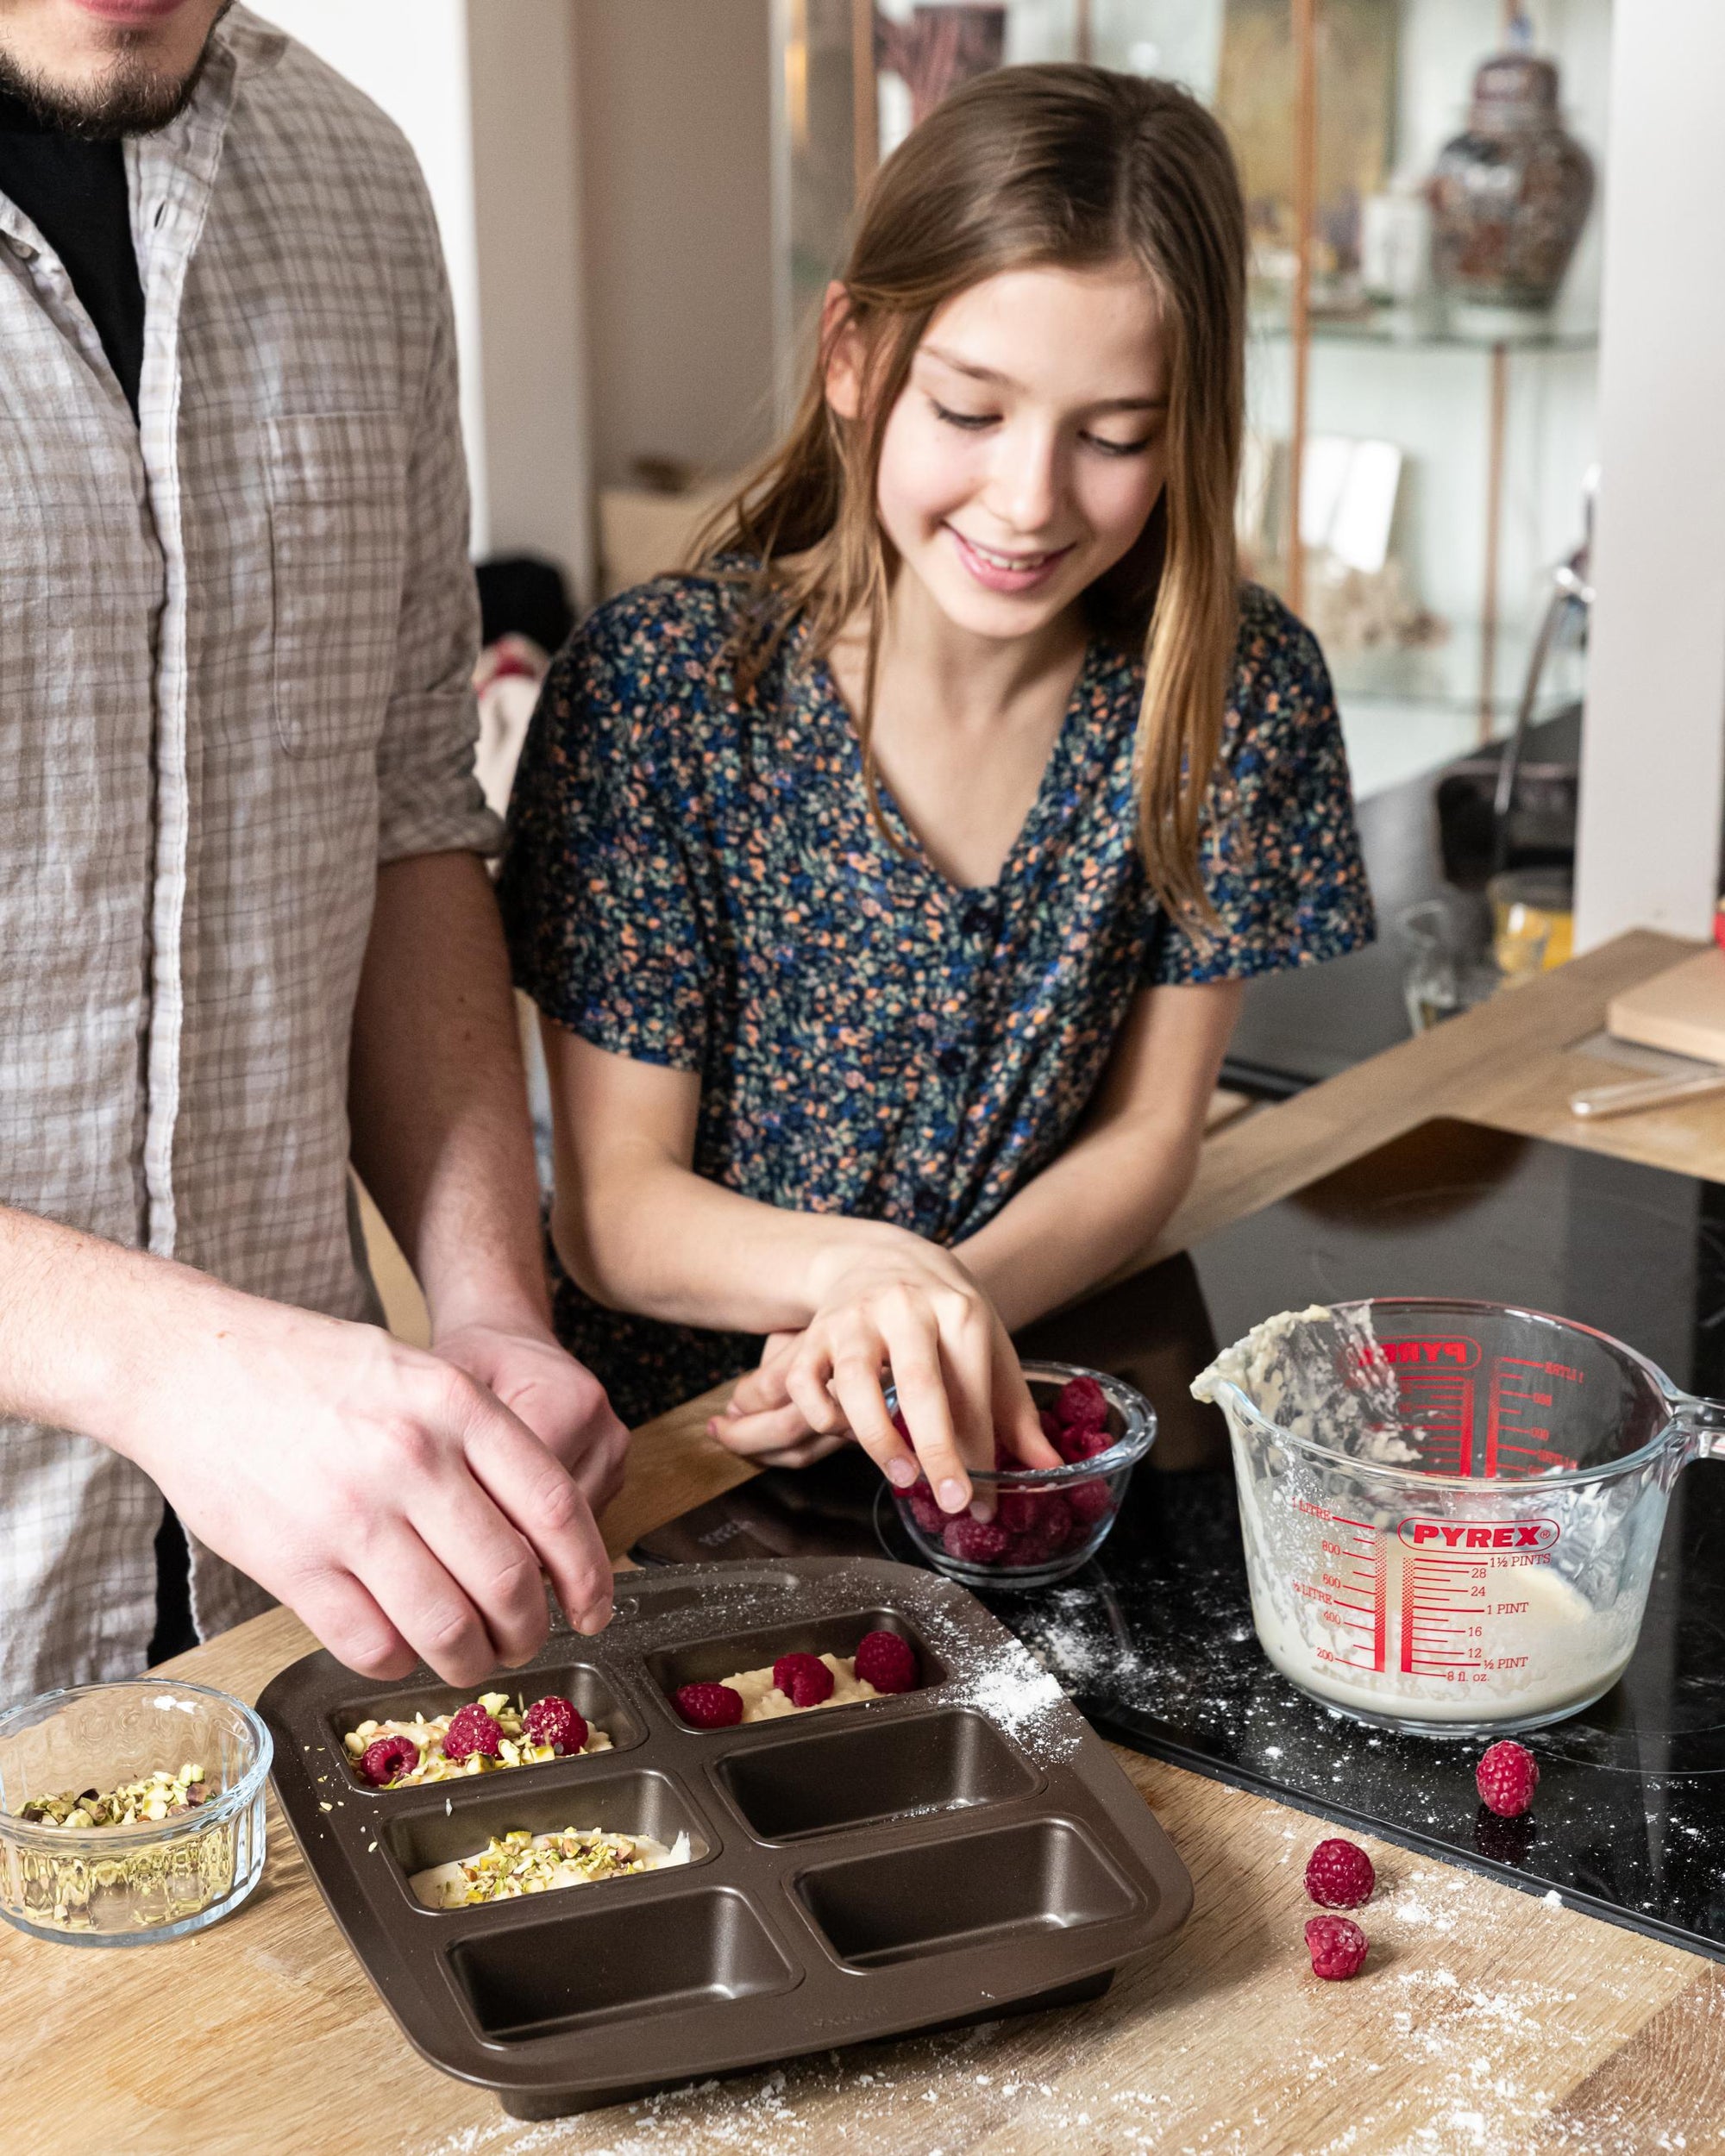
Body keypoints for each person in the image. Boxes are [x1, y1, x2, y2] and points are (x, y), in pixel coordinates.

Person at [499, 65, 1373, 1522]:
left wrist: (925, 1318)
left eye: (1113, 437)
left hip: (1007, 1414)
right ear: (854, 355)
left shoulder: (1227, 693)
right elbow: (615, 1213)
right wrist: (866, 1282)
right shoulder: (661, 690)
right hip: (687, 1455)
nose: (1030, 499)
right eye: (971, 409)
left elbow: (1152, 1139)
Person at [0, 0, 627, 1706]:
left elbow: (408, 810)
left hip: (284, 1613)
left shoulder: (355, 178)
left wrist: (487, 1304)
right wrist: (169, 1369)